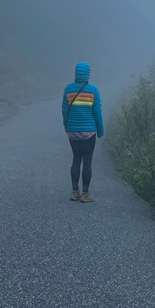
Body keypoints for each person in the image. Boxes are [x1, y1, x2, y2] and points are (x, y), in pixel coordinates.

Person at [62, 61, 104, 202]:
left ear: (76, 73)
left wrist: (67, 127)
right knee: (87, 162)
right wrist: (100, 130)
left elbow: (65, 112)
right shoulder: (93, 90)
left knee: (76, 159)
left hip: (73, 132)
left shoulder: (68, 89)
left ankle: (74, 192)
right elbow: (97, 112)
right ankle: (85, 194)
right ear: (87, 74)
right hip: (89, 133)